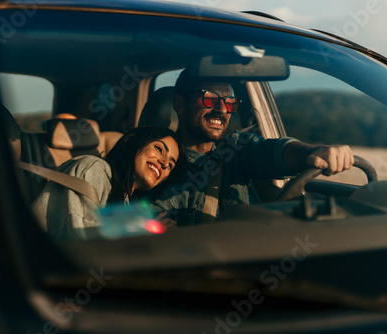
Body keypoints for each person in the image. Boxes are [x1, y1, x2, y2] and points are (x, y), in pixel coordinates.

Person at [151, 69, 355, 226]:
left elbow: (276, 152)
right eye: (210, 98)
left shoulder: (237, 148)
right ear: (179, 104)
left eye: (229, 102)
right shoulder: (154, 165)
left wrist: (315, 152)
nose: (222, 109)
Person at [33, 126, 184, 241]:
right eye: (159, 149)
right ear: (132, 143)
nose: (164, 163)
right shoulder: (93, 167)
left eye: (171, 165)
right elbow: (81, 240)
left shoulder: (126, 201)